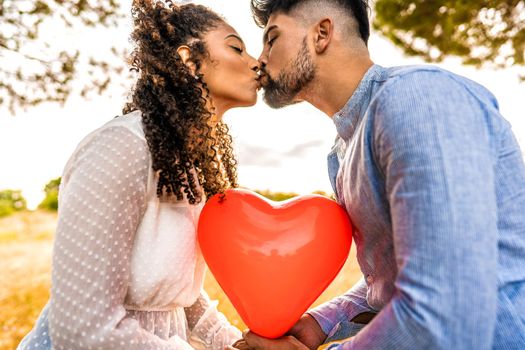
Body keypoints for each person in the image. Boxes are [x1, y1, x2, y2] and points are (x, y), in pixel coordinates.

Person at [235, 0, 525, 349]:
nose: (261, 58)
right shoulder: (341, 155)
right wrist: (319, 324)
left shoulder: (416, 99)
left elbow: (444, 303)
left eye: (272, 38)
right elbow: (394, 277)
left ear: (322, 34)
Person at [17, 1, 261, 349]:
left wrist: (234, 344)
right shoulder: (121, 148)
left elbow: (174, 295)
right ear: (189, 61)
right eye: (236, 47)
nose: (255, 62)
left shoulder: (186, 166)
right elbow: (83, 329)